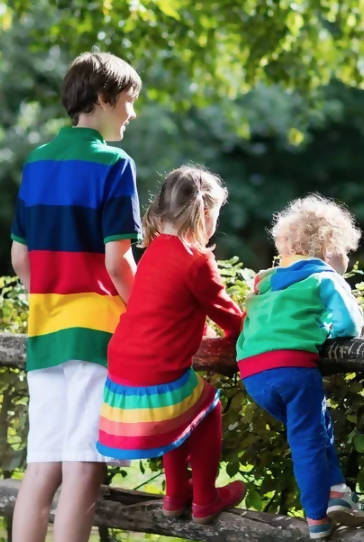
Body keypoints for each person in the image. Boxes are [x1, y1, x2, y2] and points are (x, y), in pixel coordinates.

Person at [10, 51, 142, 542]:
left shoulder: (37, 161)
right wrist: (146, 309)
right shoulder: (114, 163)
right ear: (104, 99)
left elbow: (20, 259)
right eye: (129, 101)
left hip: (43, 332)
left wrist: (51, 296)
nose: (132, 113)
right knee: (83, 467)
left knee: (42, 466)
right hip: (94, 335)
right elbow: (117, 261)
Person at [97, 165, 247, 525]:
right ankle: (206, 498)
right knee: (206, 407)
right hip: (156, 369)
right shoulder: (197, 260)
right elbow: (227, 313)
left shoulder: (153, 252)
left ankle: (175, 495)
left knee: (179, 412)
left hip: (122, 366)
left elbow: (171, 306)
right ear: (206, 215)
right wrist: (247, 333)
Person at [236, 194, 364, 539]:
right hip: (294, 369)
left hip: (253, 374)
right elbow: (348, 324)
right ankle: (318, 520)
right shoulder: (323, 277)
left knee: (315, 430)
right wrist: (328, 327)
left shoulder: (263, 281)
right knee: (309, 441)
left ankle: (337, 494)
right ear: (331, 247)